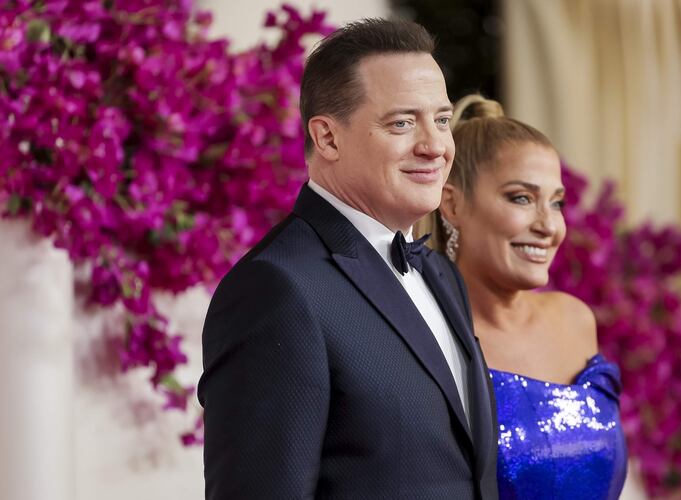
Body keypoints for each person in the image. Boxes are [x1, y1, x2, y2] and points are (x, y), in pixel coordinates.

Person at [197, 20, 499, 499]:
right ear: (328, 138)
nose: (435, 146)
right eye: (402, 123)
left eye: (441, 120)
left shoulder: (440, 273)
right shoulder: (276, 289)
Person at [420, 95, 627, 499]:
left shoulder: (575, 319)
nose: (549, 226)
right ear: (453, 203)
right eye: (521, 198)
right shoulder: (425, 336)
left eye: (557, 203)